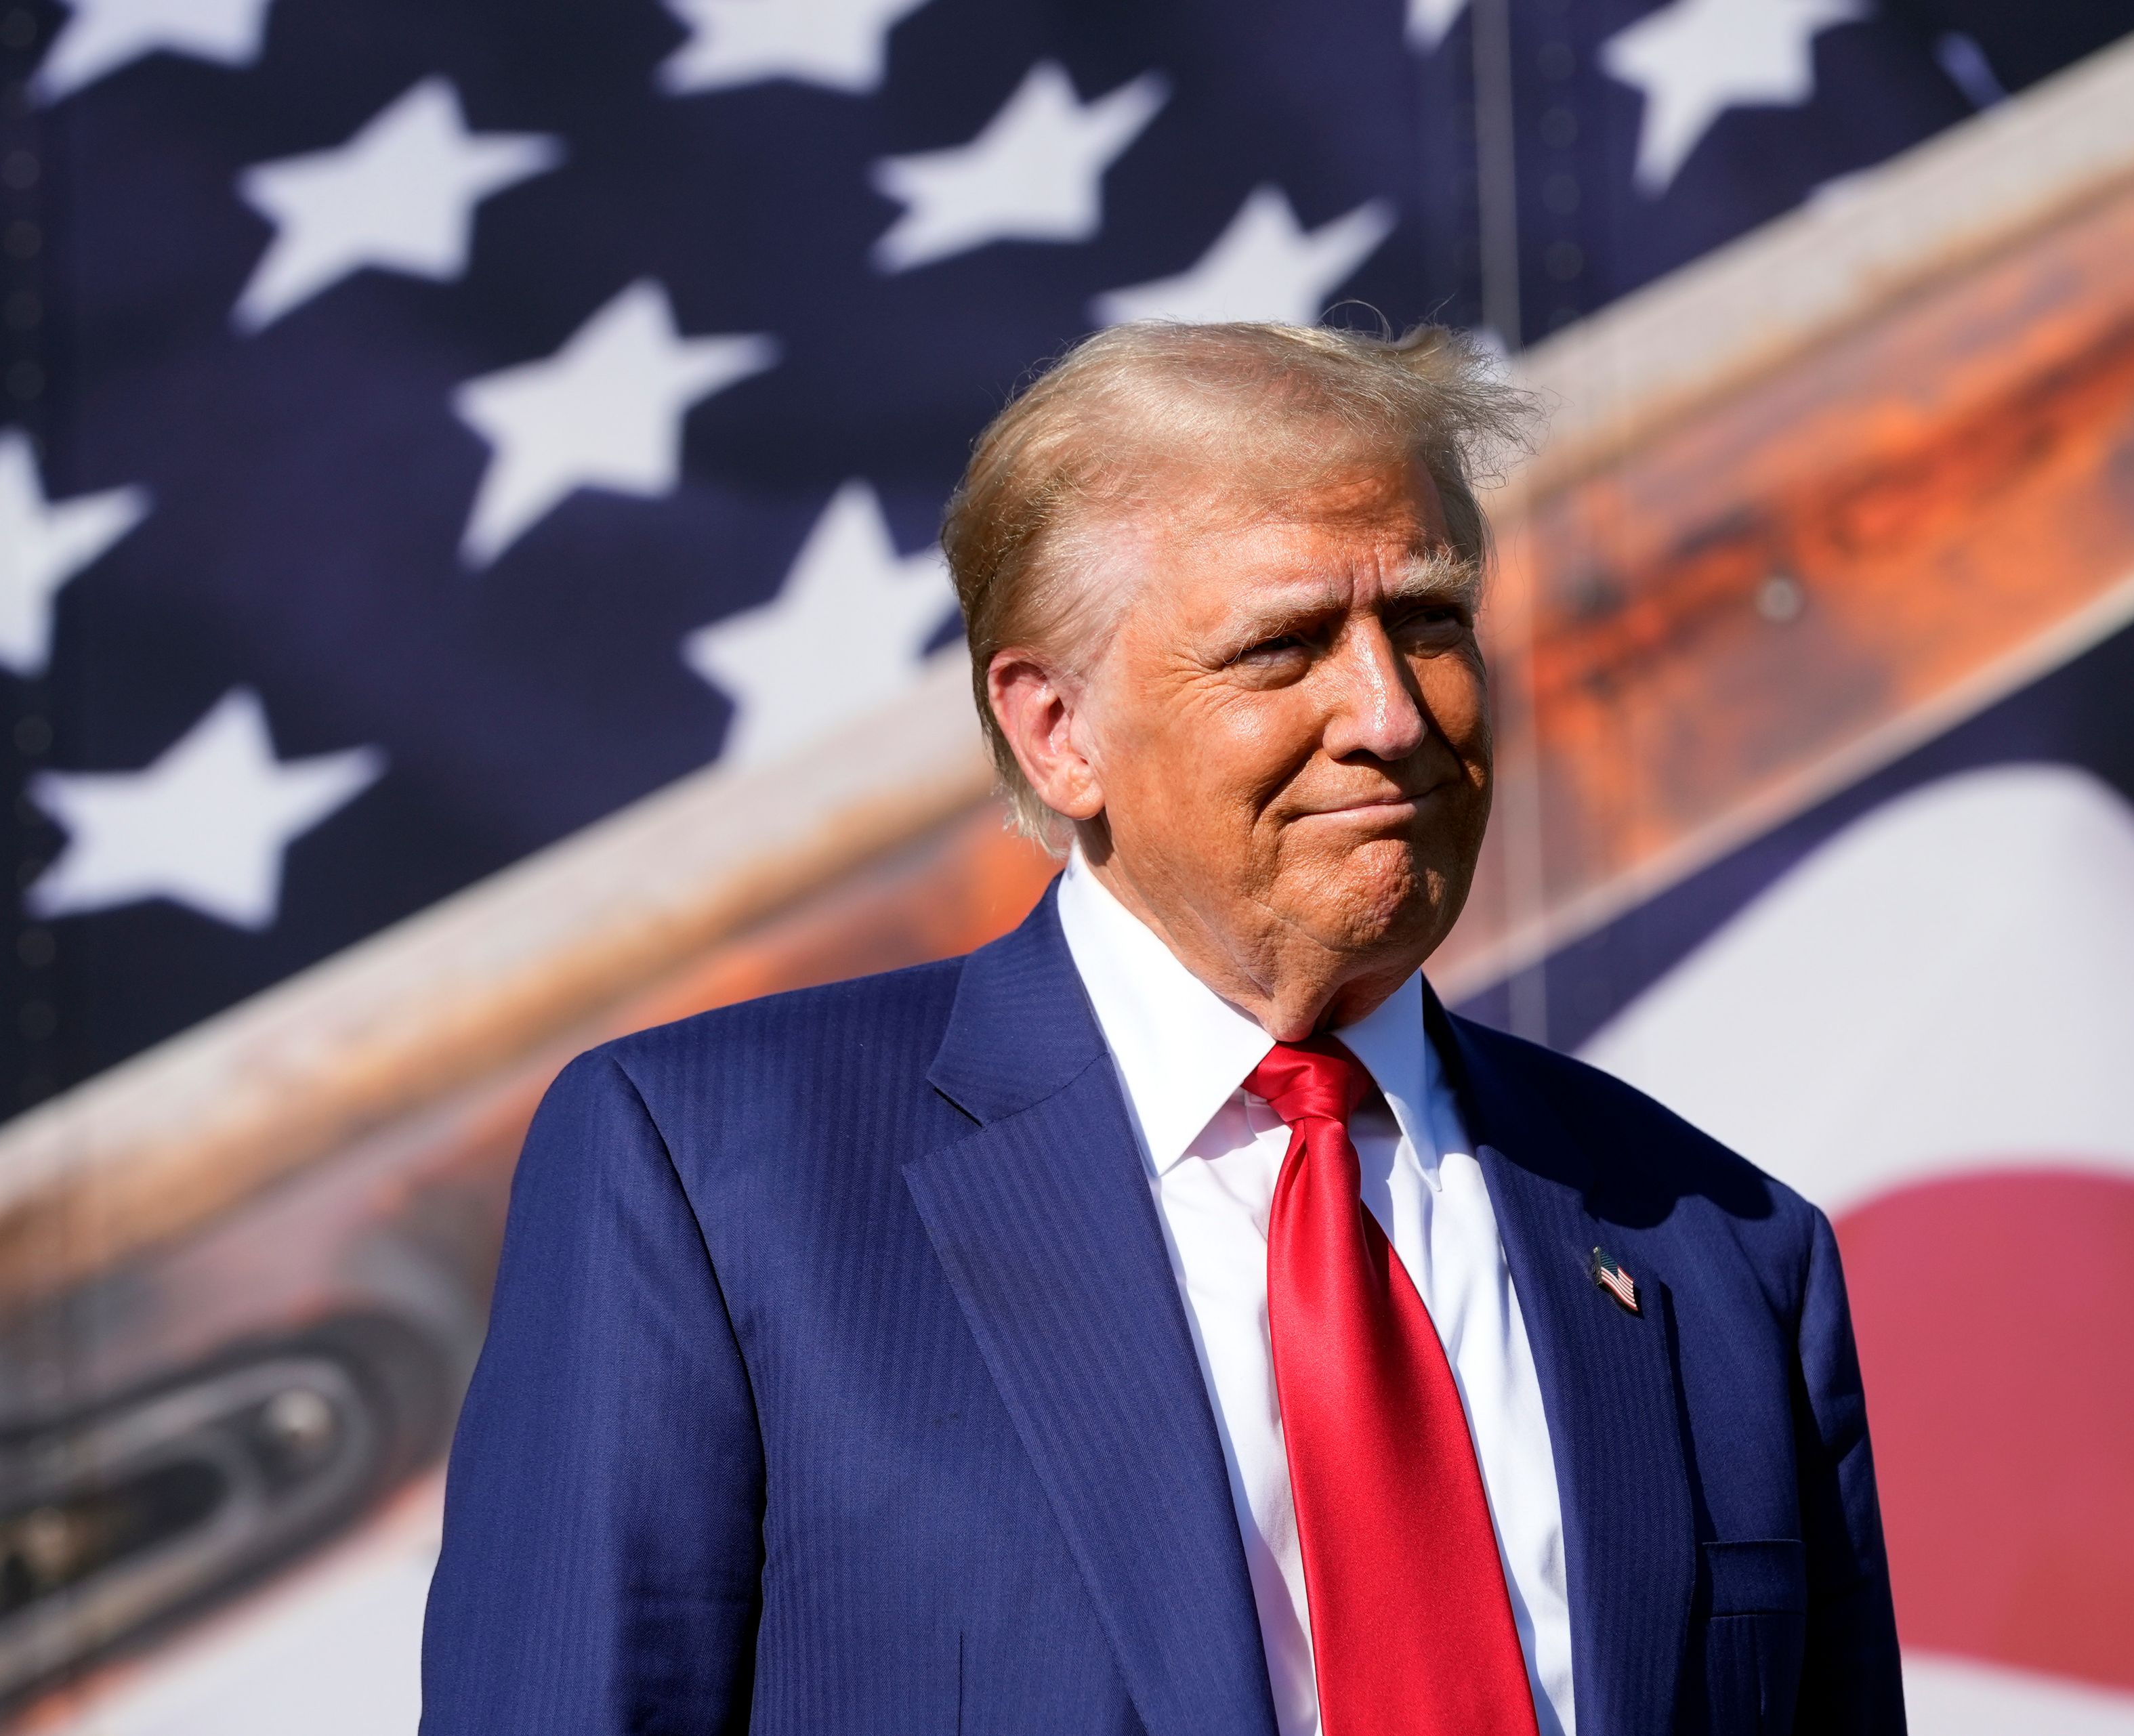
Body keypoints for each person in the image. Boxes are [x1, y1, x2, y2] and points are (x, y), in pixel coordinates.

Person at [420, 322, 1902, 1736]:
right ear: (1057, 729)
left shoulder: (1720, 1247)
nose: (1390, 711)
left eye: (1430, 620)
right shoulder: (716, 1181)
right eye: (1285, 645)